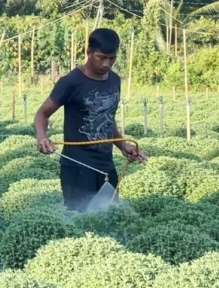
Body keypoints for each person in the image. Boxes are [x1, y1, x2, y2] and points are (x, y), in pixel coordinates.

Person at [34, 28, 146, 212]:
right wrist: (41, 137)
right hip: (78, 165)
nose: (106, 64)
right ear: (89, 52)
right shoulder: (71, 81)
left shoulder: (114, 80)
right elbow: (42, 114)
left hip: (106, 164)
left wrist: (123, 145)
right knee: (80, 220)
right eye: (101, 57)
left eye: (112, 58)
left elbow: (107, 117)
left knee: (109, 217)